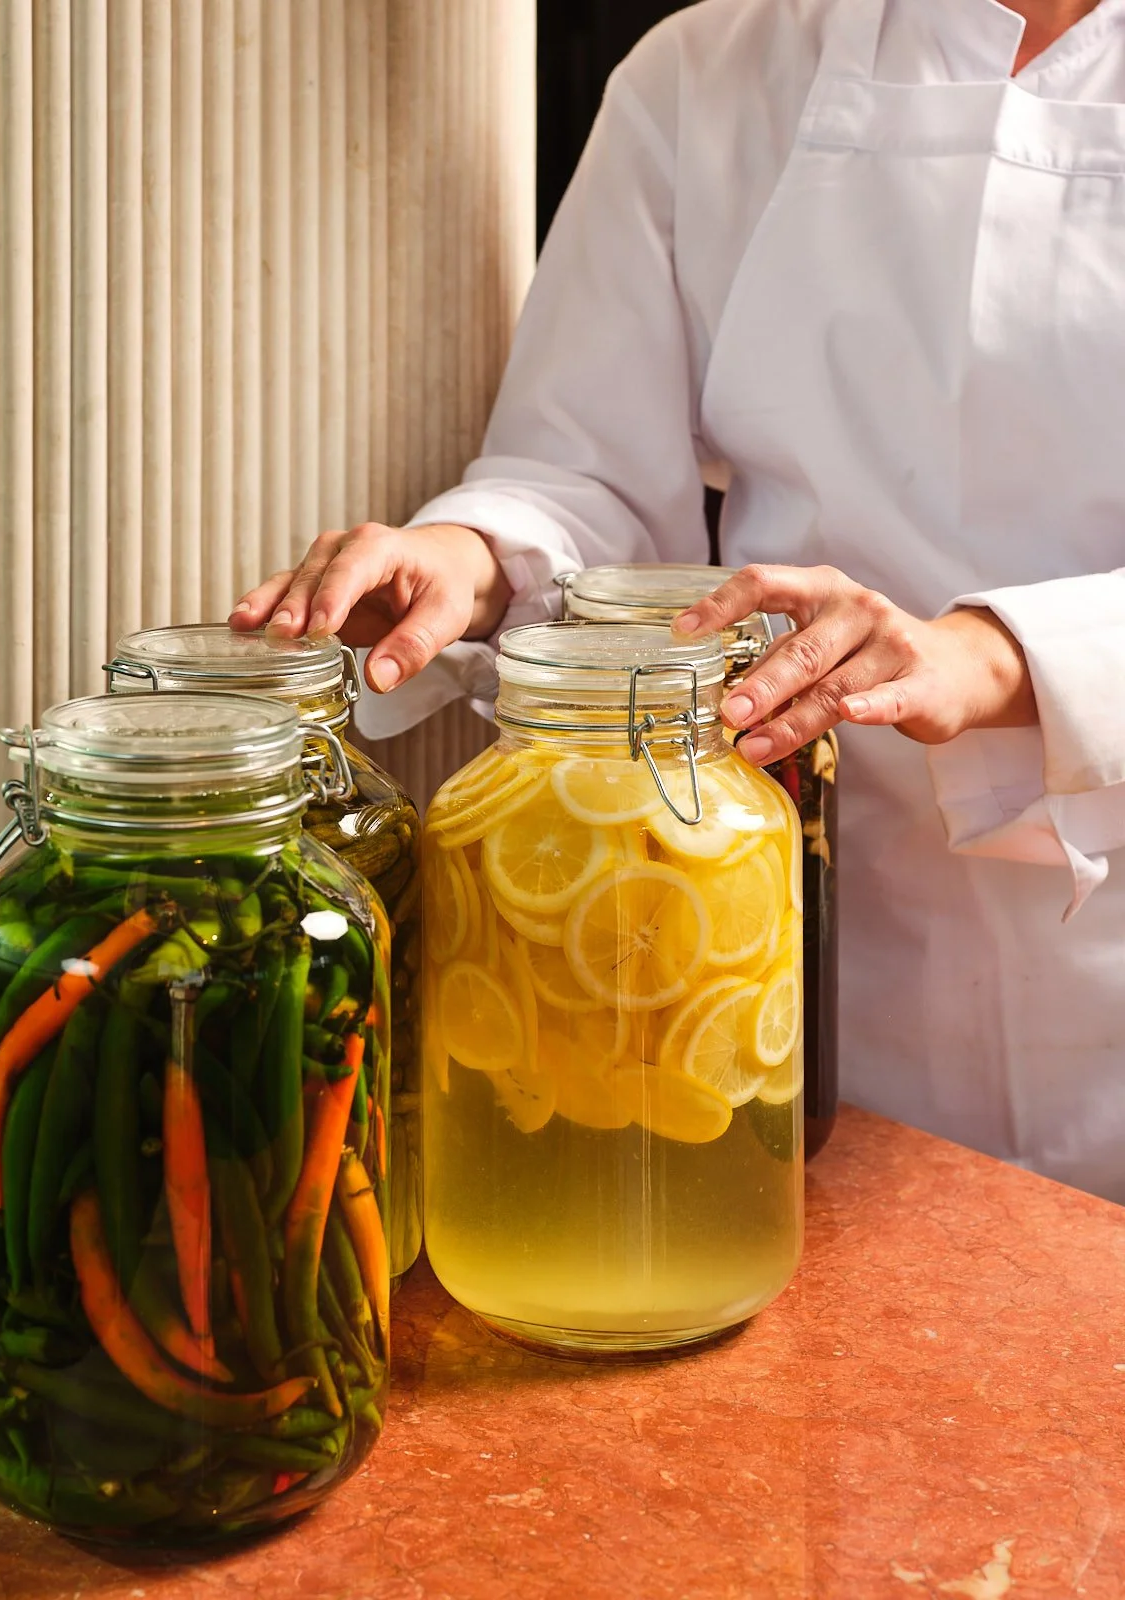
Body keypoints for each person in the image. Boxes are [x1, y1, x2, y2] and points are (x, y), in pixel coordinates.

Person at [232, 0, 1125, 1200]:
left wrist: (991, 657)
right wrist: (475, 556)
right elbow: (588, 474)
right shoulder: (709, 70)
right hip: (792, 959)